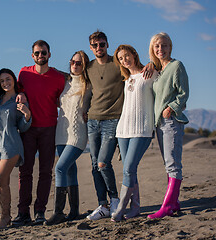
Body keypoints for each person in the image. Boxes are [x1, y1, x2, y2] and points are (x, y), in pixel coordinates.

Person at [12, 40, 65, 226]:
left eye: (43, 53)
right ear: (32, 55)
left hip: (49, 129)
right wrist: (22, 94)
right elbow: (15, 91)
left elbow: (64, 99)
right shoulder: (24, 73)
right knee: (24, 172)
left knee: (45, 172)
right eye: (37, 53)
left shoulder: (59, 77)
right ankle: (23, 212)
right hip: (28, 129)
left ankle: (40, 211)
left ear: (49, 54)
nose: (40, 56)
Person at [111, 45, 158, 221]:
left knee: (129, 168)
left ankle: (121, 208)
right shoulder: (127, 78)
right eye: (121, 59)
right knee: (128, 169)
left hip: (142, 129)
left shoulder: (150, 74)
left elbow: (161, 68)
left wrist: (152, 63)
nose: (125, 60)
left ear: (134, 54)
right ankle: (135, 207)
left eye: (126, 56)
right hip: (123, 129)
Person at [45, 51, 92, 225]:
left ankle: (58, 212)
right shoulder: (65, 83)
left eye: (79, 63)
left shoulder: (89, 85)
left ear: (85, 66)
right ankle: (74, 211)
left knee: (60, 168)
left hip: (78, 134)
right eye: (72, 62)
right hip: (61, 134)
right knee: (70, 170)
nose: (75, 65)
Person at [147, 32, 189, 219]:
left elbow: (183, 93)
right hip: (159, 123)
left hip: (171, 121)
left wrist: (171, 108)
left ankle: (167, 206)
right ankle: (175, 202)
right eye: (157, 46)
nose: (160, 49)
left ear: (170, 47)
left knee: (173, 164)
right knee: (168, 163)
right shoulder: (159, 70)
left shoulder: (176, 66)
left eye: (164, 45)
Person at [85, 30, 123, 221]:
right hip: (92, 120)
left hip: (112, 120)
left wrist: (149, 65)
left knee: (103, 163)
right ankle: (103, 205)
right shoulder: (89, 67)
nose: (99, 48)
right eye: (95, 45)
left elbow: (136, 69)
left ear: (107, 45)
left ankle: (115, 199)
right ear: (91, 48)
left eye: (102, 44)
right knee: (94, 165)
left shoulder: (117, 63)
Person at [0, 68, 32, 229]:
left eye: (8, 79)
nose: (5, 83)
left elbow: (23, 126)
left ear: (14, 80)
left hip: (11, 144)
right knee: (3, 182)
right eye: (2, 81)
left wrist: (27, 115)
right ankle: (5, 217)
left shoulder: (19, 100)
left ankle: (5, 216)